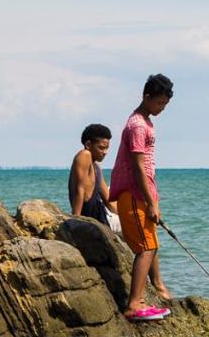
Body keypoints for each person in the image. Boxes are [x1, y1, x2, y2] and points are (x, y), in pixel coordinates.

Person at [108, 73, 174, 321]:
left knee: (151, 245)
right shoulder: (137, 125)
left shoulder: (146, 122)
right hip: (135, 196)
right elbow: (137, 167)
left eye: (165, 105)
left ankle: (145, 296)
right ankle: (134, 305)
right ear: (146, 97)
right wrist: (148, 201)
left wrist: (154, 200)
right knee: (146, 248)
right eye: (159, 103)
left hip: (145, 195)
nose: (162, 109)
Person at [68, 124, 113, 225]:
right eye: (101, 148)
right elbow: (80, 190)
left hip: (101, 217)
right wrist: (75, 221)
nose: (105, 152)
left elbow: (109, 201)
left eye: (107, 148)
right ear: (88, 144)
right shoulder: (85, 154)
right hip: (91, 220)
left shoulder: (96, 166)